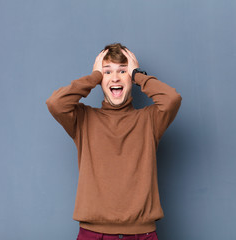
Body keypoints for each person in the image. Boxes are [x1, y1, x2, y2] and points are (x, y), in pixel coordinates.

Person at [45, 43, 182, 240]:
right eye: (107, 72)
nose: (115, 77)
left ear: (132, 77)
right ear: (100, 79)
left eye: (123, 71)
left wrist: (138, 75)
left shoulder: (149, 120)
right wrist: (94, 77)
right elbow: (56, 103)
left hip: (141, 233)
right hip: (92, 233)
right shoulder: (83, 119)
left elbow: (171, 99)